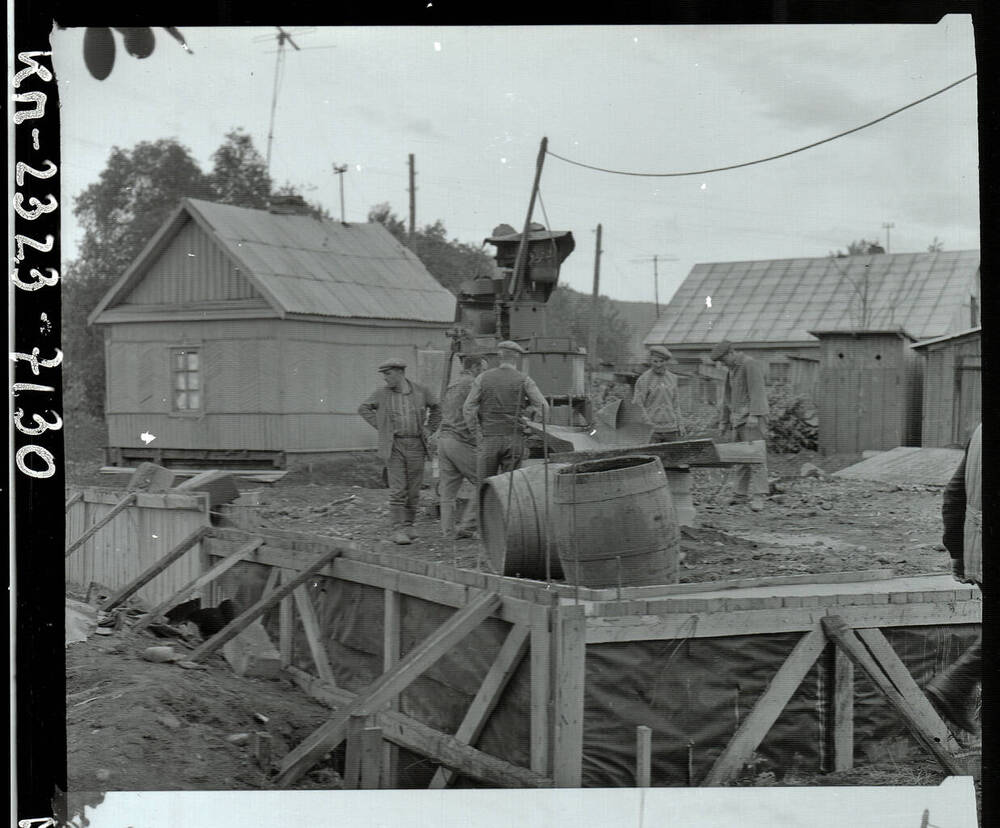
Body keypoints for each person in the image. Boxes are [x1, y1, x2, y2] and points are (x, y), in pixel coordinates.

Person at [924, 422, 981, 734]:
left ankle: (957, 680)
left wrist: (958, 552)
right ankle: (957, 679)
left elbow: (954, 493)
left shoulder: (980, 430)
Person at [358, 358, 441, 545]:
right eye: (384, 375)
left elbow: (437, 408)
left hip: (417, 445)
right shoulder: (381, 394)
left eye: (388, 374)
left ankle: (409, 525)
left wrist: (429, 428)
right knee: (398, 490)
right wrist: (382, 427)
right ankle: (397, 529)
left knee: (413, 489)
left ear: (401, 373)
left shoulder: (421, 391)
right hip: (394, 446)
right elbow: (363, 408)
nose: (385, 379)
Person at [463, 340, 549, 481]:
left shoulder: (482, 378)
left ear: (499, 357)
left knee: (485, 486)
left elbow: (468, 408)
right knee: (511, 487)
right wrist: (530, 430)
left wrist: (476, 432)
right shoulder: (524, 379)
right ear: (517, 358)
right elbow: (544, 407)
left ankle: (486, 503)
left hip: (489, 438)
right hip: (514, 438)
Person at [710, 340, 769, 511]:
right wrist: (724, 422)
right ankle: (740, 494)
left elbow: (757, 391)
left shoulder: (750, 364)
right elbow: (727, 399)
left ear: (731, 353)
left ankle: (759, 496)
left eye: (723, 360)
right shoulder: (731, 370)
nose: (722, 364)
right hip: (738, 419)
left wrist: (754, 415)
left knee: (756, 456)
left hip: (752, 420)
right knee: (741, 457)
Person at [434, 354, 487, 540]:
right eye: (483, 368)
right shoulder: (474, 385)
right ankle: (469, 525)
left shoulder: (452, 385)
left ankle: (447, 532)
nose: (484, 372)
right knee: (485, 481)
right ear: (475, 367)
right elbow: (475, 414)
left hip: (444, 440)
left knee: (447, 491)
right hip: (461, 441)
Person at [633, 344, 684, 442]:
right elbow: (638, 405)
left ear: (666, 362)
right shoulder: (644, 379)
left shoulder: (673, 378)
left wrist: (680, 424)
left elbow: (676, 404)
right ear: (650, 361)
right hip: (652, 431)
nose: (658, 365)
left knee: (672, 456)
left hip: (671, 429)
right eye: (655, 361)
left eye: (662, 361)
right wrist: (647, 424)